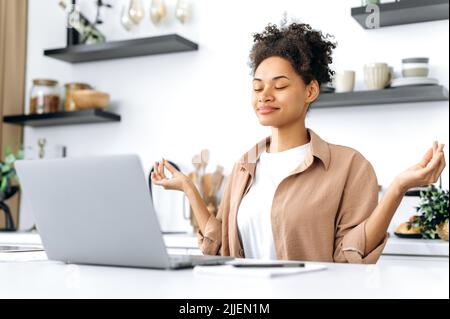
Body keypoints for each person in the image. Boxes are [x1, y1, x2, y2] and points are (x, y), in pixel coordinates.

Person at [151, 23, 446, 264]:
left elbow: (350, 255)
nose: (264, 95)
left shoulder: (349, 167)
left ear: (311, 91)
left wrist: (397, 188)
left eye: (279, 86)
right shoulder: (245, 165)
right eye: (257, 87)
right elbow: (219, 243)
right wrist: (188, 189)